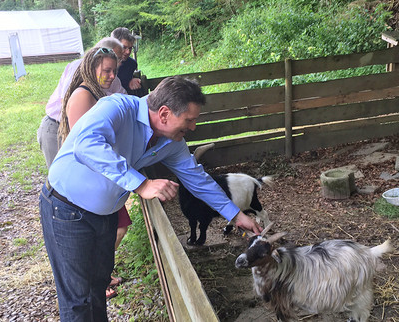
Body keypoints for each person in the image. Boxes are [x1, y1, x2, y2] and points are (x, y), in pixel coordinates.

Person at [39, 76, 263, 321]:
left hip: (104, 214)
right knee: (78, 299)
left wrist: (236, 214)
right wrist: (141, 183)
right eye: (189, 120)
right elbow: (86, 144)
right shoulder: (117, 108)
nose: (193, 127)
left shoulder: (171, 142)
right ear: (165, 113)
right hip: (66, 209)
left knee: (97, 286)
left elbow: (197, 179)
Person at [57, 44, 131, 299]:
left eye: (115, 71)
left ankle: (100, 279)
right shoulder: (83, 96)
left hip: (103, 178)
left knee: (115, 227)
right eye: (107, 71)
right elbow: (85, 145)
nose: (112, 76)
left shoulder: (99, 93)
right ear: (91, 68)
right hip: (89, 181)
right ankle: (94, 282)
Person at [37, 37, 127, 168]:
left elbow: (124, 98)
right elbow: (67, 104)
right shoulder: (78, 73)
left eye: (118, 62)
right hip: (56, 126)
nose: (119, 62)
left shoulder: (111, 78)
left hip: (80, 132)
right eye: (116, 57)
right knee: (61, 175)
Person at [111, 27, 143, 96]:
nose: (128, 52)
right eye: (124, 47)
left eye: (130, 48)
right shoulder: (101, 64)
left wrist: (130, 82)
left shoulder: (131, 64)